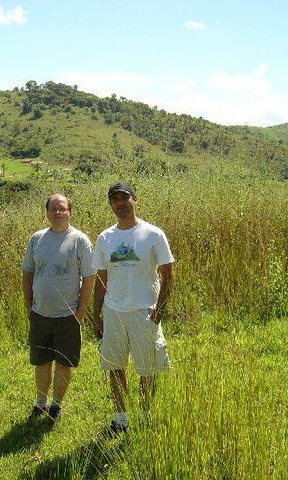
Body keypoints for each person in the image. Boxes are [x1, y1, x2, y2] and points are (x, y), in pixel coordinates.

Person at [91, 181, 175, 434]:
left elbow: (169, 276)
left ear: (134, 199)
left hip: (144, 312)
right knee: (115, 367)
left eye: (124, 197)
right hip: (114, 312)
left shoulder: (153, 234)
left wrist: (158, 310)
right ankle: (120, 420)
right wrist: (97, 315)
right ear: (110, 204)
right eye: (115, 199)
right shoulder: (105, 237)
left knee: (147, 369)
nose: (120, 203)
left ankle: (146, 417)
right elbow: (101, 280)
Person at [21, 194, 95, 422]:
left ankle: (56, 405)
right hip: (41, 313)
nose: (57, 213)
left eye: (62, 209)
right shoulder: (37, 239)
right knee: (41, 361)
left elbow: (89, 278)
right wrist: (28, 305)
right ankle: (41, 403)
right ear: (46, 212)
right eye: (53, 209)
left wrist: (80, 313)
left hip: (68, 316)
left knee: (64, 363)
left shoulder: (80, 240)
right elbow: (28, 272)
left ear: (70, 212)